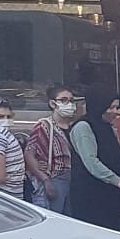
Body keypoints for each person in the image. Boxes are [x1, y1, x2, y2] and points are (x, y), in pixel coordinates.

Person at [68, 89, 120, 231]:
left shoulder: (108, 127)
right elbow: (91, 162)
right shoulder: (83, 127)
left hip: (110, 192)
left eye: (116, 107)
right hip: (90, 194)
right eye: (111, 107)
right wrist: (117, 180)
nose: (114, 111)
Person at [24, 85, 80, 213]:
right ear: (53, 103)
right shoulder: (44, 126)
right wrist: (45, 180)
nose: (69, 104)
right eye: (64, 100)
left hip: (74, 180)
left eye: (71, 100)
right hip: (55, 178)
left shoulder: (75, 126)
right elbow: (29, 154)